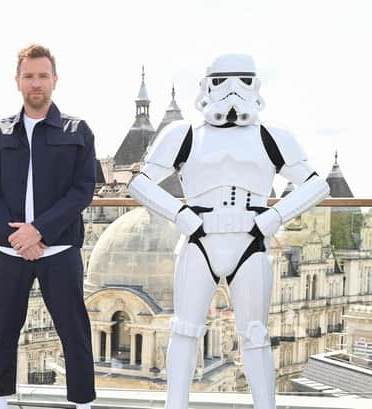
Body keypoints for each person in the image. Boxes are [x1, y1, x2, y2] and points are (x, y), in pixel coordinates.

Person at [128, 54, 329, 409]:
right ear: (208, 85)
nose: (233, 90)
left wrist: (273, 216)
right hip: (200, 240)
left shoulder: (272, 136)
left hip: (249, 241)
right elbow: (140, 184)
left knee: (254, 335)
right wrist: (182, 215)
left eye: (242, 80)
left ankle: (264, 405)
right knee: (185, 330)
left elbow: (316, 186)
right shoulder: (184, 134)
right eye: (223, 80)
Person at [0, 44, 96, 409]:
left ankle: (83, 404)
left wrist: (38, 231)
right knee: (3, 331)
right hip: (11, 249)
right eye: (29, 76)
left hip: (59, 250)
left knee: (74, 332)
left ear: (54, 80)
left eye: (43, 76)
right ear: (18, 82)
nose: (36, 83)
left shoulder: (78, 131)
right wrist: (18, 236)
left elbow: (83, 190)